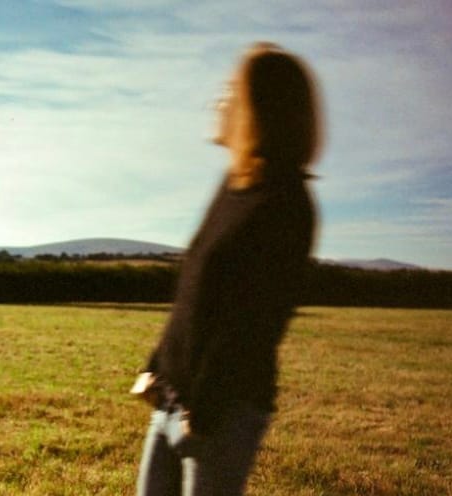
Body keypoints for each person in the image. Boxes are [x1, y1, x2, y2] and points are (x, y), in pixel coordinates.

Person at [135, 42, 322, 496]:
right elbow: (195, 291)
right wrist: (156, 366)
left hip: (223, 411)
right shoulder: (233, 186)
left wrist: (209, 406)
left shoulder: (286, 205)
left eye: (228, 92)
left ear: (257, 108)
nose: (217, 103)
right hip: (175, 397)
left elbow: (256, 322)